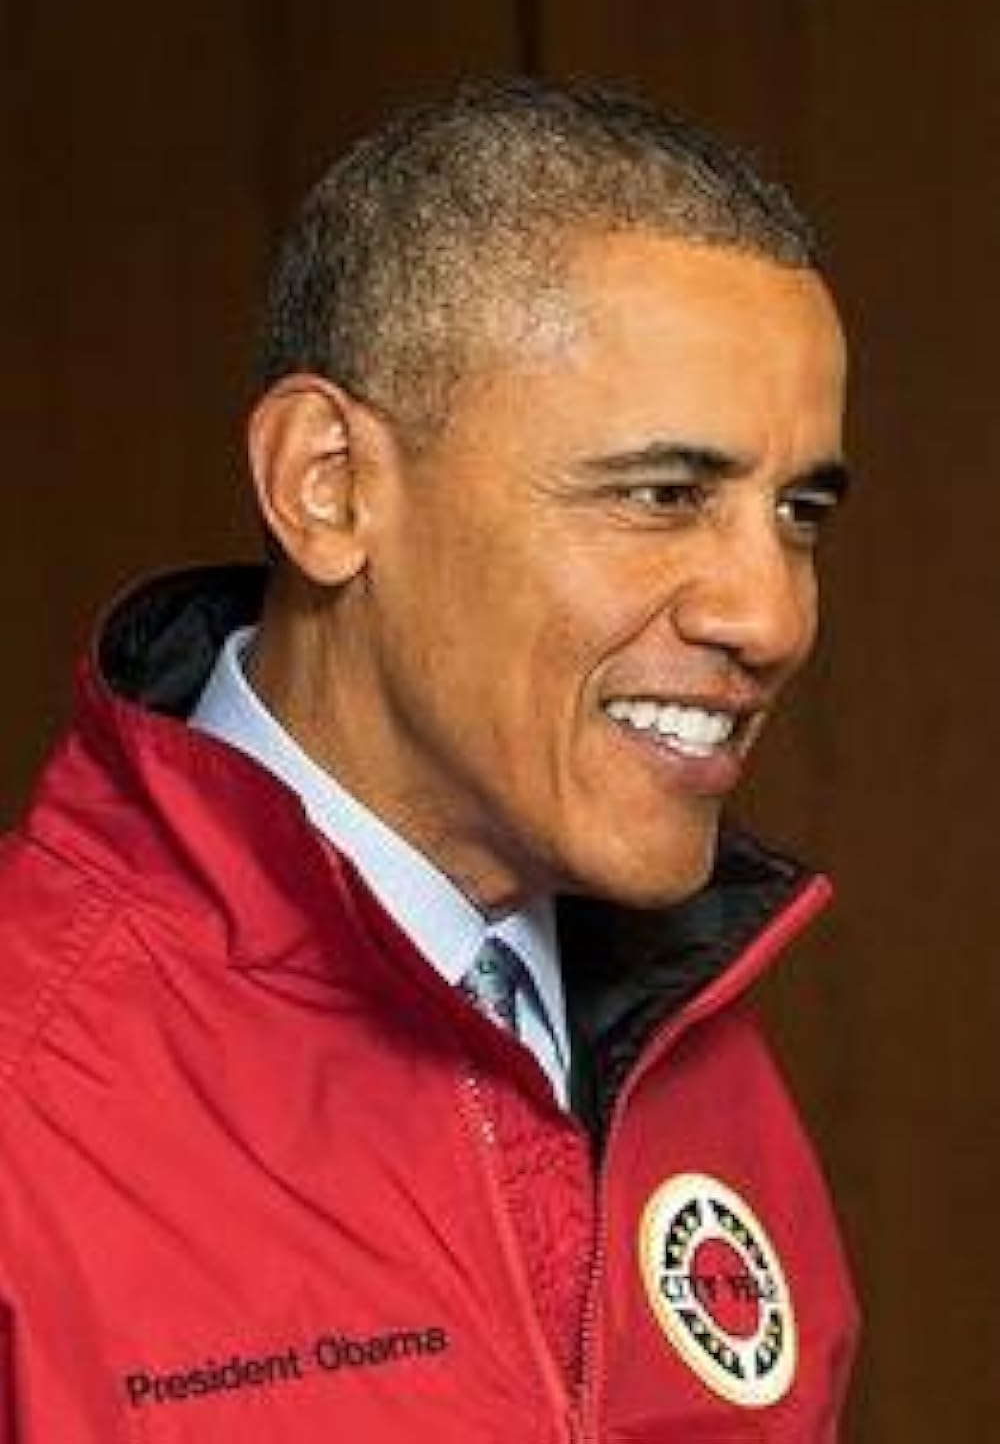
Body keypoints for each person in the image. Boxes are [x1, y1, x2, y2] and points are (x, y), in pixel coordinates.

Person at [0, 78, 858, 1441]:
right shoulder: (29, 1096)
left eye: (798, 510)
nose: (771, 617)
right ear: (329, 484)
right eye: (662, 495)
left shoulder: (696, 1046)